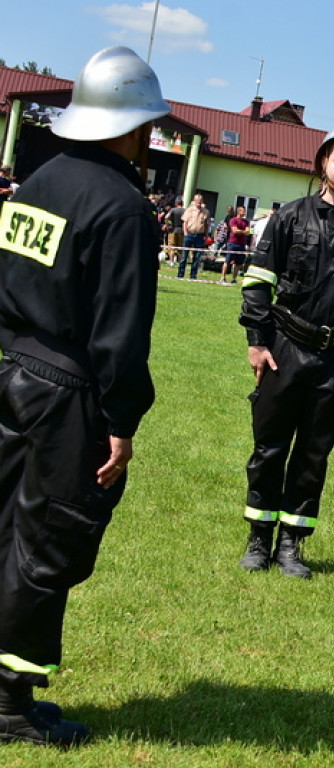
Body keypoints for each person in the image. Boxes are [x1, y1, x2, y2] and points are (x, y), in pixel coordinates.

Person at [0, 46, 169, 747]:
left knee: (6, 529)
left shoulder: (36, 182)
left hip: (11, 372)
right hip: (67, 393)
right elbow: (120, 335)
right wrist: (121, 422)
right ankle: (10, 706)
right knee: (49, 542)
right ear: (129, 128)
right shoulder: (125, 208)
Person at [237, 124, 334, 579]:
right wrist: (257, 342)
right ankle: (258, 540)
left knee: (313, 454)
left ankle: (291, 545)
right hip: (284, 348)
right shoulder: (290, 217)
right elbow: (258, 283)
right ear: (324, 162)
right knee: (269, 448)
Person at [178, 193, 210, 280]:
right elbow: (185, 222)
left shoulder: (206, 212)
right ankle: (180, 274)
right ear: (194, 201)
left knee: (197, 257)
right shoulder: (189, 210)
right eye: (198, 201)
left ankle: (193, 275)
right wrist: (185, 233)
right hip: (189, 234)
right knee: (184, 256)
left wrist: (206, 236)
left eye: (201, 201)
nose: (199, 203)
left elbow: (207, 225)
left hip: (200, 235)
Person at [220, 206, 250, 284]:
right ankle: (222, 277)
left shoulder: (246, 222)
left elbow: (247, 232)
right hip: (232, 243)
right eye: (243, 211)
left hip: (242, 244)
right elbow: (235, 231)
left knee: (238, 263)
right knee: (227, 261)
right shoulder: (233, 220)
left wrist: (241, 231)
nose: (244, 213)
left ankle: (234, 278)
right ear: (239, 211)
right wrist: (243, 231)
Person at [164, 196, 185, 267]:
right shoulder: (185, 210)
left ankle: (171, 262)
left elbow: (166, 217)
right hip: (181, 231)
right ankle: (179, 262)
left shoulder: (173, 210)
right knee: (180, 248)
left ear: (176, 203)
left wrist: (167, 225)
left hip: (173, 230)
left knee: (172, 247)